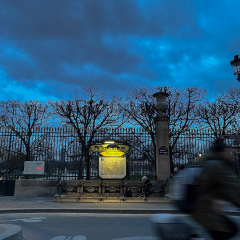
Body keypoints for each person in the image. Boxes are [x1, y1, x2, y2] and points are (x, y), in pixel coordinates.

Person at [191, 138, 240, 240]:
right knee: (230, 229)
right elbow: (232, 189)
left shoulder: (205, 162)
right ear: (221, 152)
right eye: (228, 152)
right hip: (206, 212)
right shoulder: (216, 166)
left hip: (199, 210)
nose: (231, 156)